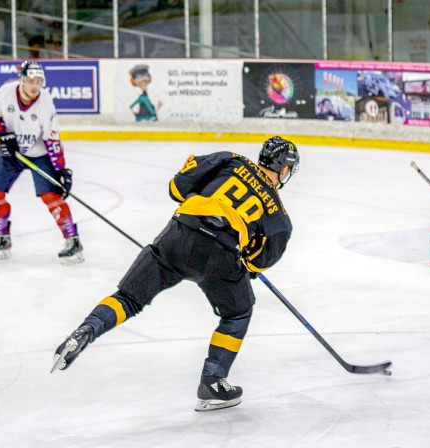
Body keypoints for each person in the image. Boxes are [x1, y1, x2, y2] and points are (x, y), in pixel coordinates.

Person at [51, 136, 300, 412]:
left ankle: (88, 328)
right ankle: (213, 381)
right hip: (220, 253)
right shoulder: (278, 212)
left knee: (128, 298)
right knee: (238, 311)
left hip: (178, 234)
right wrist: (245, 263)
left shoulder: (231, 159)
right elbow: (259, 261)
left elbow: (177, 187)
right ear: (285, 169)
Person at [0, 61, 82, 265]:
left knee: (51, 196)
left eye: (38, 82)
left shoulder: (45, 102)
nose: (35, 86)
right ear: (21, 80)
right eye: (30, 81)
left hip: (39, 153)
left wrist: (61, 169)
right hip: (13, 152)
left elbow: (52, 139)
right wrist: (4, 137)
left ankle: (73, 240)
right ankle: (2, 239)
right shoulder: (5, 92)